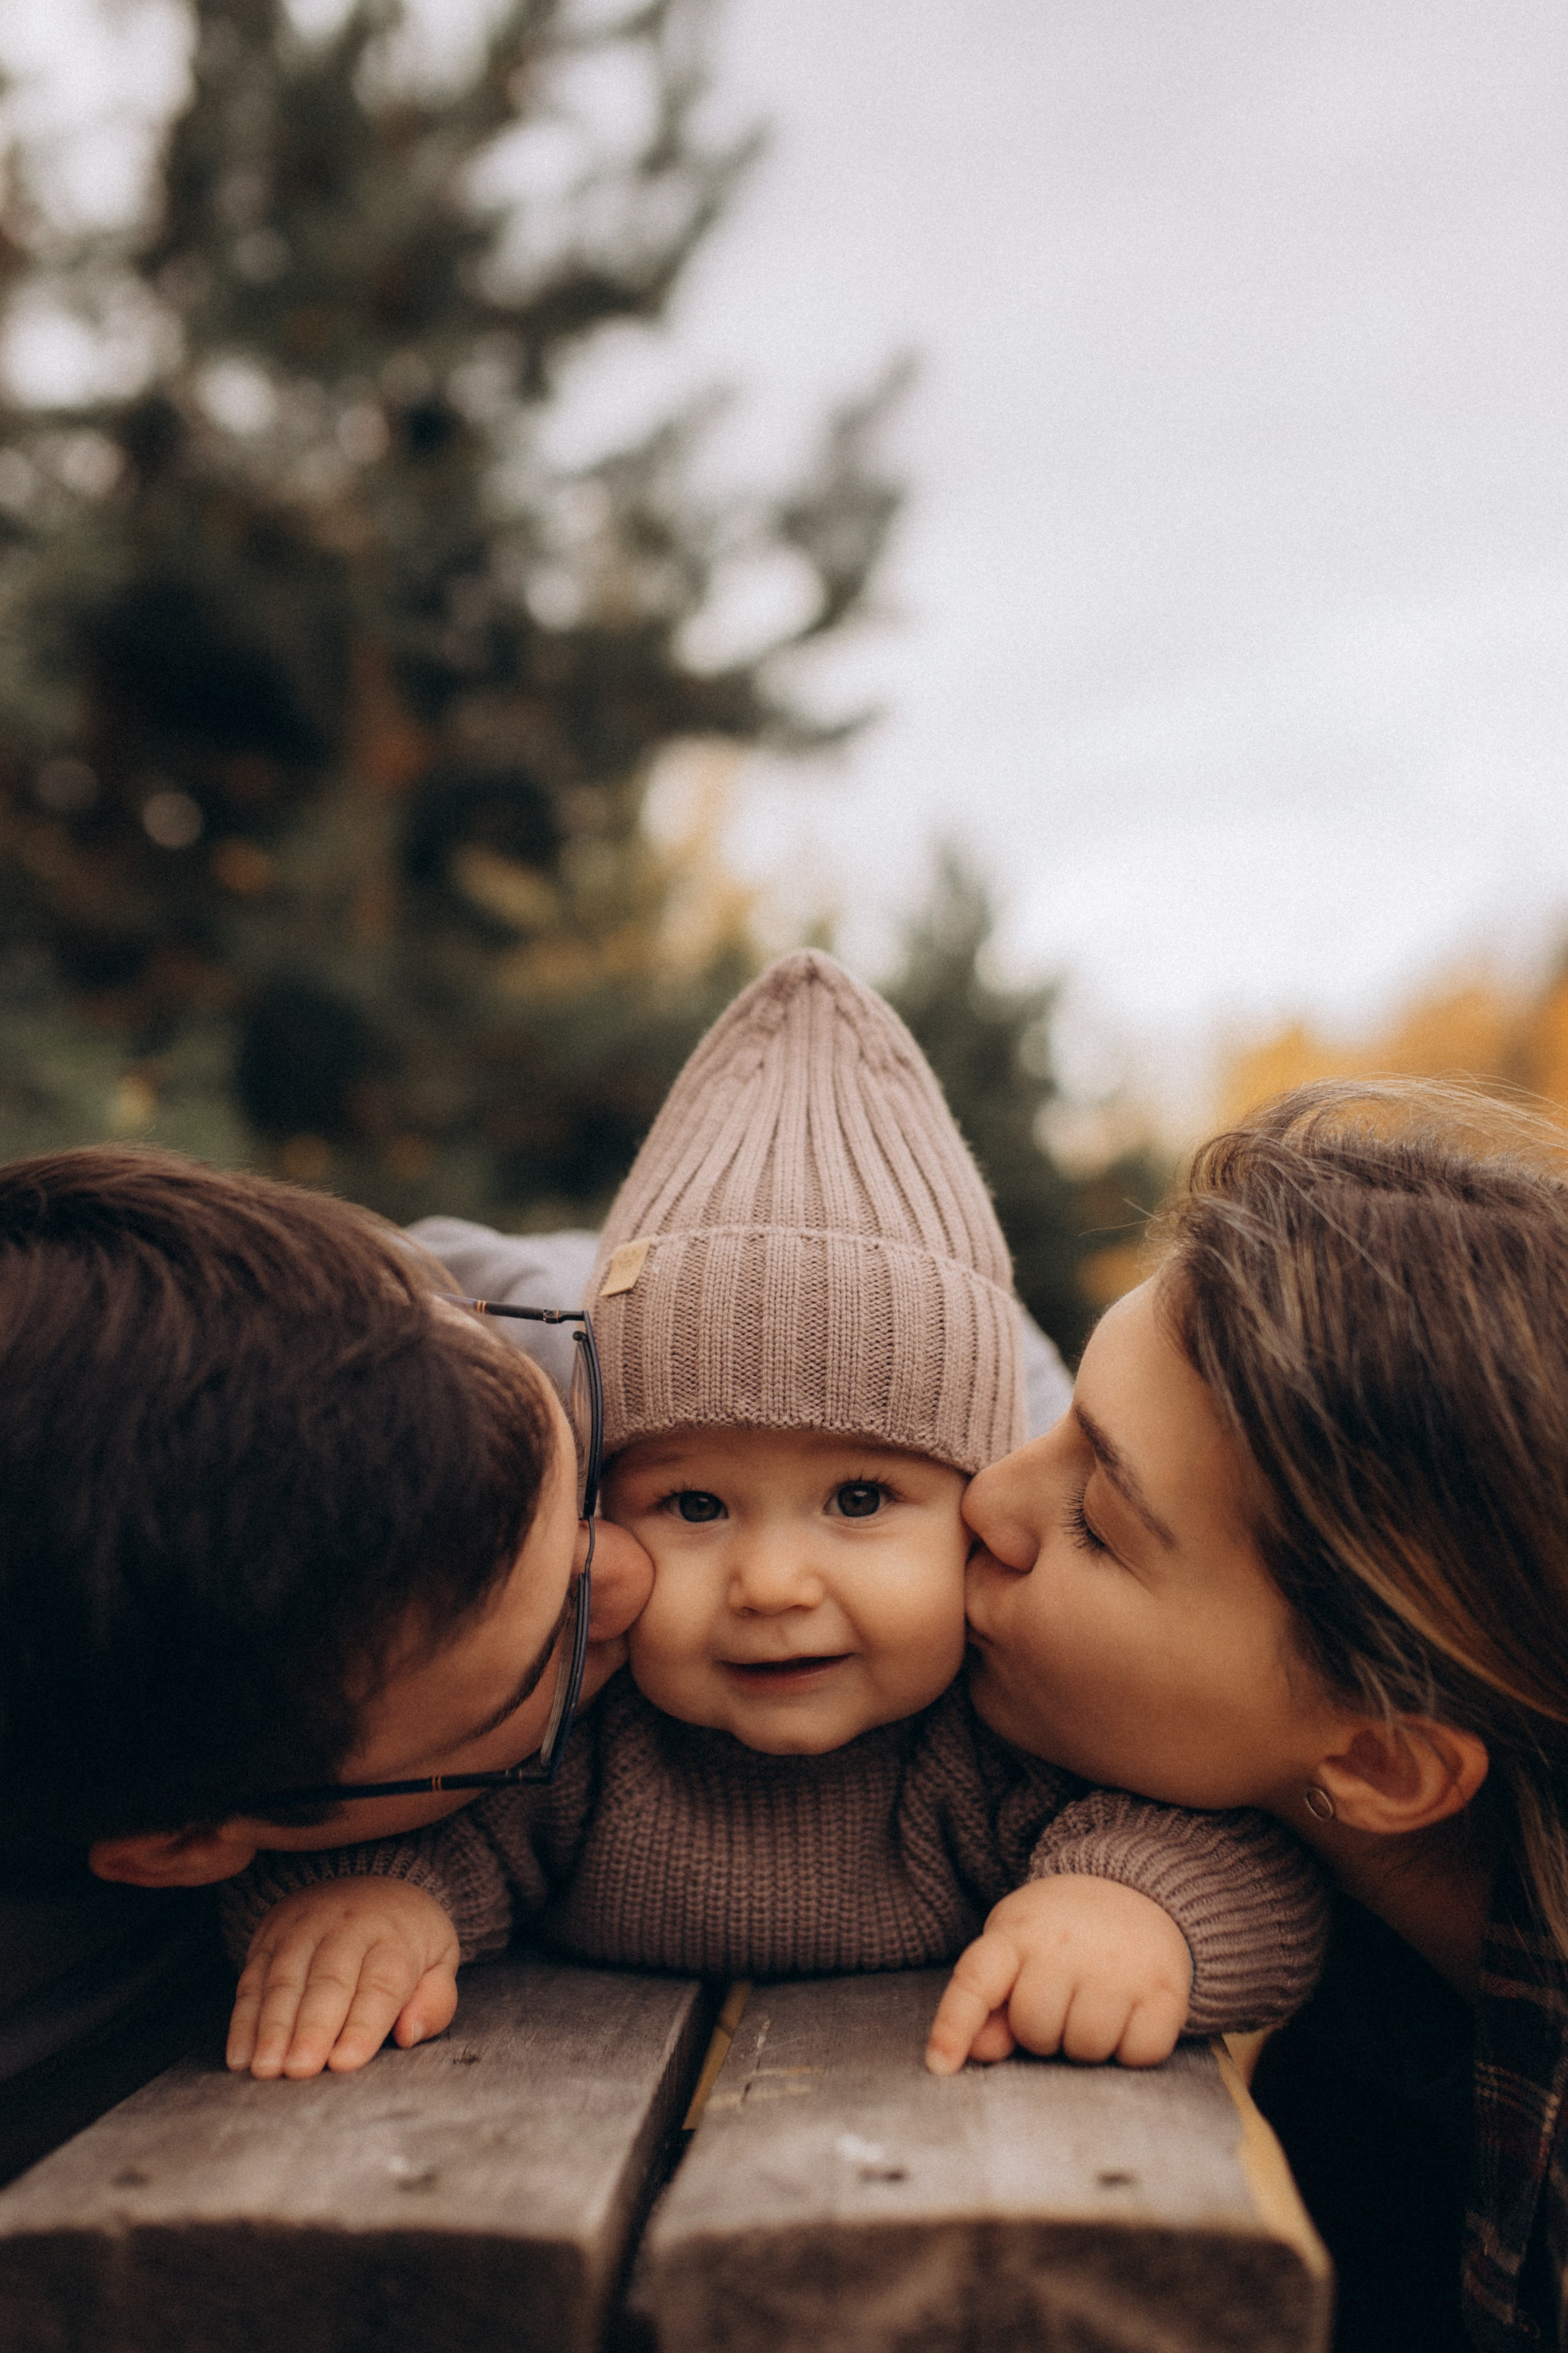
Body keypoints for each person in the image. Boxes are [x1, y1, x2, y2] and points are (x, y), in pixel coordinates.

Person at [217, 951, 1326, 2082]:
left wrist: (1129, 1912)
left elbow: (1253, 1870)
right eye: (693, 1502)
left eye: (860, 1497)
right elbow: (394, 1819)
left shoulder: (995, 1727)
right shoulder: (584, 1723)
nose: (772, 1583)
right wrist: (376, 1909)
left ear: (975, 1502)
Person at [937, 1080, 1568, 2353]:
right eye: (1053, 1433)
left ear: (1381, 1761)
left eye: (1097, 1527)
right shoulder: (1389, 1997)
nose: (987, 1501)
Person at [0, 1150, 654, 2179]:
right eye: (551, 1657)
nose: (636, 1574)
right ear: (182, 1845)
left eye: (591, 1480)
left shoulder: (448, 1330)